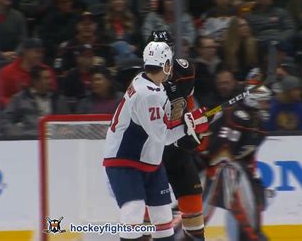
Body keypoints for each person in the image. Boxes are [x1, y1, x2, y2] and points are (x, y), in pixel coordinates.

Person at [102, 41, 209, 241]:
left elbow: (165, 122)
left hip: (149, 161)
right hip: (126, 161)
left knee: (162, 215)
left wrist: (189, 121)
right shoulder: (147, 94)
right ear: (167, 66)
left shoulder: (148, 83)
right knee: (134, 211)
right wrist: (190, 126)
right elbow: (163, 136)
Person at [148, 31, 206, 240]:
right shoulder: (143, 83)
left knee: (195, 214)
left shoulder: (186, 69)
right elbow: (150, 128)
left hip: (178, 153)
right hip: (152, 157)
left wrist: (193, 124)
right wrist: (182, 130)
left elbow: (188, 105)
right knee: (148, 221)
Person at [202, 81, 272, 241]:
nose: (267, 105)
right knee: (201, 211)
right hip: (215, 168)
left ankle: (250, 234)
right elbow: (221, 152)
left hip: (233, 168)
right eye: (263, 101)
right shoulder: (237, 116)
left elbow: (247, 155)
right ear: (253, 100)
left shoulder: (256, 123)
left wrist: (251, 174)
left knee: (257, 199)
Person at [1, 65, 69, 136]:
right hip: (28, 139)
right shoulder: (20, 99)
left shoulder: (58, 99)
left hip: (54, 139)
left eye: (50, 78)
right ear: (35, 81)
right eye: (46, 78)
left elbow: (67, 122)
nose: (50, 81)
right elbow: (5, 120)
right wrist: (18, 135)